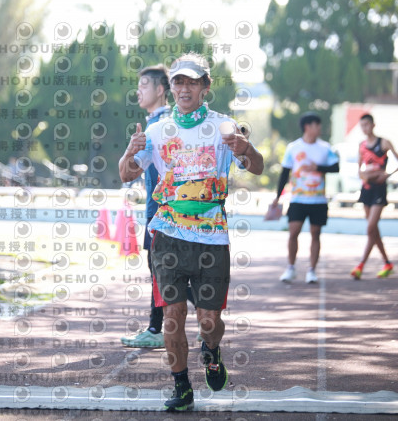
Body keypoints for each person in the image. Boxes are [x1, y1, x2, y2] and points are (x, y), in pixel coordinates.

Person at [119, 53, 264, 411]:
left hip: (211, 239)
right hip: (168, 236)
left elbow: (257, 167)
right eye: (179, 81)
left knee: (209, 321)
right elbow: (126, 173)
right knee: (172, 316)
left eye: (192, 82)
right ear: (171, 87)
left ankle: (211, 351)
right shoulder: (157, 131)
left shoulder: (224, 127)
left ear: (205, 87)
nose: (185, 88)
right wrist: (129, 152)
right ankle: (182, 387)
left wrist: (246, 149)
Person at [120, 65, 172, 349]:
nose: (138, 91)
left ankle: (158, 328)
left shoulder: (162, 125)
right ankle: (156, 328)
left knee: (161, 272)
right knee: (160, 272)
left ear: (160, 90)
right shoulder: (156, 122)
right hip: (157, 208)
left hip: (162, 211)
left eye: (144, 85)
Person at [272, 112, 339, 284]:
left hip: (318, 200)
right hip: (298, 199)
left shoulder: (325, 147)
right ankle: (291, 268)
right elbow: (284, 173)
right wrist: (278, 197)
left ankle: (312, 270)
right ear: (307, 127)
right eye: (317, 125)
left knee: (316, 234)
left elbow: (336, 168)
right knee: (293, 232)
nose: (320, 128)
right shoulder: (293, 147)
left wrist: (318, 167)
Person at [350, 114, 398, 279]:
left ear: (373, 125)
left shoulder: (384, 143)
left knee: (370, 228)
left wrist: (386, 175)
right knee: (373, 230)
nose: (364, 128)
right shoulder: (361, 145)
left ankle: (361, 265)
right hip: (366, 189)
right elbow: (359, 170)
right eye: (362, 125)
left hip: (379, 189)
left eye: (367, 124)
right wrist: (365, 175)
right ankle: (387, 263)